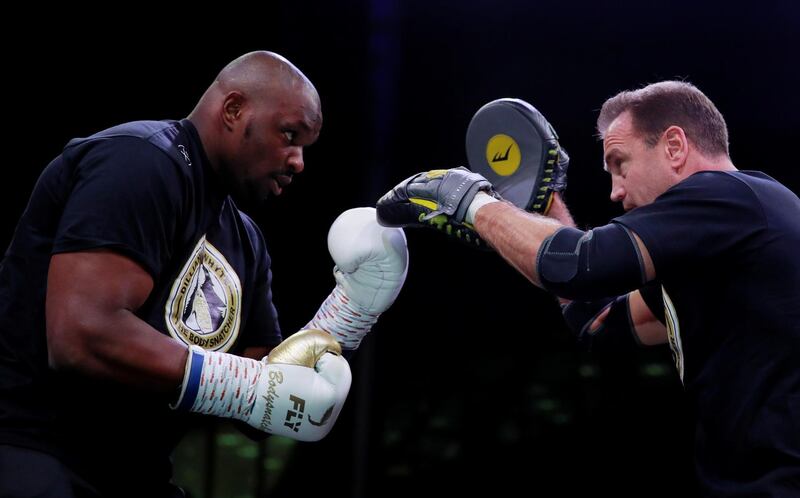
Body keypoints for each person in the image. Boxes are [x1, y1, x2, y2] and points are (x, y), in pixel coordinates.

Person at [0, 51, 407, 497]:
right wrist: (239, 385)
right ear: (234, 110)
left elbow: (263, 397)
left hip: (135, 474)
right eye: (289, 135)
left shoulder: (246, 241)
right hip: (32, 447)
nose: (298, 162)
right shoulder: (138, 163)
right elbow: (80, 335)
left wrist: (350, 310)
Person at [377, 81, 800, 496]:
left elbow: (577, 265)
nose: (616, 191)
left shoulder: (730, 198)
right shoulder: (721, 243)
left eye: (621, 163)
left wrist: (469, 201)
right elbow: (599, 319)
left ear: (674, 146)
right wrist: (548, 204)